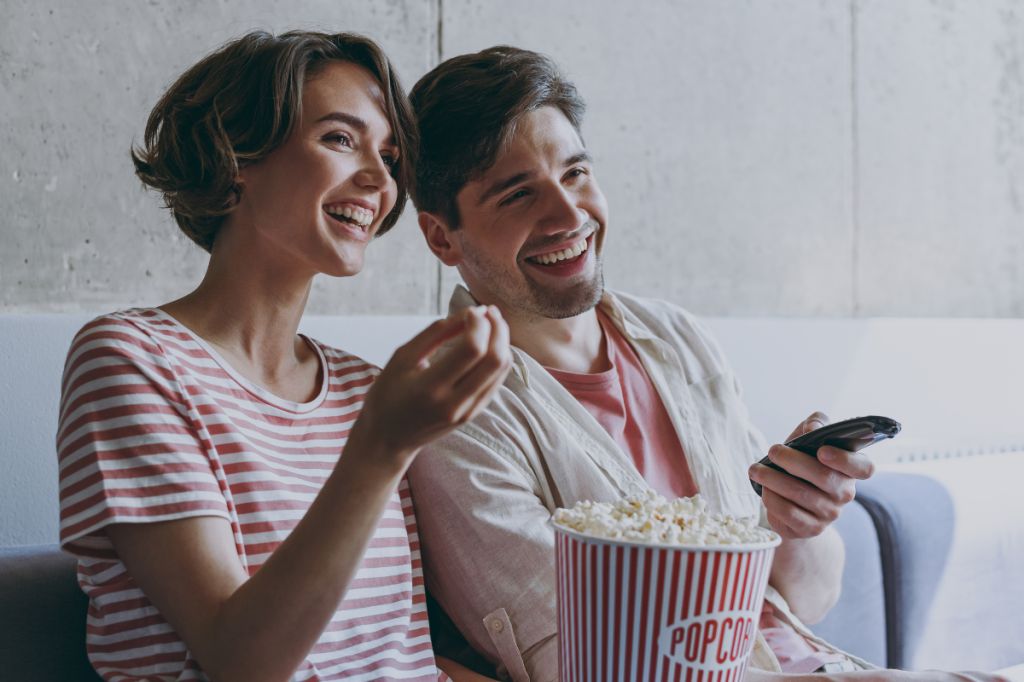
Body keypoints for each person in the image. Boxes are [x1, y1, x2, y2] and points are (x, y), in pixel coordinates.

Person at [405, 46, 1007, 682]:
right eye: (518, 194)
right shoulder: (448, 410)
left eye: (576, 173)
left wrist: (794, 522)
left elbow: (809, 596)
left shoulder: (678, 337)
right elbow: (585, 660)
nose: (568, 214)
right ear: (442, 237)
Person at [56, 31, 509, 682]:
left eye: (388, 155)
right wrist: (380, 449)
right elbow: (243, 661)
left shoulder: (364, 389)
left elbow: (395, 658)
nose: (381, 180)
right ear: (236, 152)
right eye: (339, 139)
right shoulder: (132, 360)